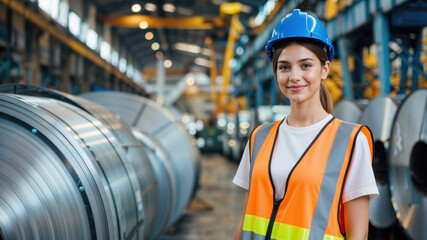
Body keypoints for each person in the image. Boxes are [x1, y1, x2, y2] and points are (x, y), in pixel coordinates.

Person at [233, 9, 378, 240]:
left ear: (325, 69)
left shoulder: (350, 141)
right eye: (284, 66)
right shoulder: (259, 138)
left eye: (306, 65)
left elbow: (358, 234)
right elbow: (246, 218)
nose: (294, 76)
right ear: (276, 72)